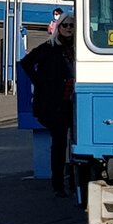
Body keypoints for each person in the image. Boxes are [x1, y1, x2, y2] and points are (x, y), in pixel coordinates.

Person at [21, 14, 77, 197]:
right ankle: (58, 184)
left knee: (77, 144)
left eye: (72, 25)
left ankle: (75, 182)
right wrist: (41, 82)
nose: (68, 28)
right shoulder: (49, 47)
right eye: (65, 25)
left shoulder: (79, 47)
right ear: (58, 27)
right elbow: (27, 63)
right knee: (59, 144)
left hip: (75, 102)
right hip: (56, 103)